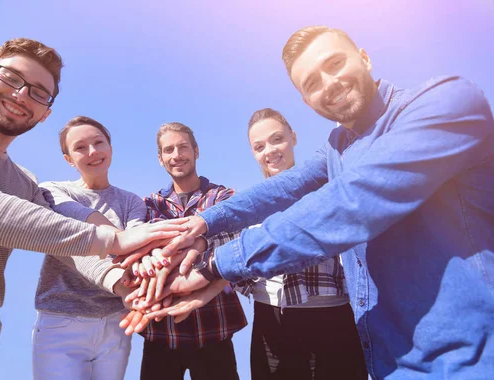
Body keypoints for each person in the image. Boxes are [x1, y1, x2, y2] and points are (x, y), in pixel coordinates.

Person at [145, 26, 494, 379]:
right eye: (311, 83)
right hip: (389, 362)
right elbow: (283, 188)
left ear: (365, 57)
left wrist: (217, 265)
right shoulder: (337, 147)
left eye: (336, 63)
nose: (328, 84)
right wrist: (203, 223)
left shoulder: (448, 103)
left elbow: (352, 202)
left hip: (471, 360)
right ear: (306, 101)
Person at [0, 38, 185, 380]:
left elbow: (65, 245)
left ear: (45, 113)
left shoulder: (24, 183)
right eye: (11, 78)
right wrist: (113, 239)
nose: (21, 95)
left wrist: (126, 287)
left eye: (37, 92)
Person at [243, 108, 366, 379]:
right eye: (259, 146)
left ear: (293, 137)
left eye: (277, 139)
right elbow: (238, 261)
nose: (270, 151)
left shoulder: (328, 190)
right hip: (272, 323)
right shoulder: (250, 207)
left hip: (333, 319)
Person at [32, 116, 145, 380]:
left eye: (98, 143)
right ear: (68, 159)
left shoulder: (132, 202)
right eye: (81, 147)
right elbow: (83, 225)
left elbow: (135, 249)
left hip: (116, 321)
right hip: (61, 321)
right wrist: (123, 242)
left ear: (110, 147)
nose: (93, 152)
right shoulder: (52, 191)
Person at [139, 122, 247, 380]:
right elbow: (142, 252)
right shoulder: (149, 206)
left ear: (196, 151)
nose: (176, 155)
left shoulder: (222, 197)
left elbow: (237, 243)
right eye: (168, 150)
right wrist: (208, 238)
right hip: (161, 333)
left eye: (183, 147)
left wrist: (195, 242)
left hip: (215, 329)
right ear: (160, 158)